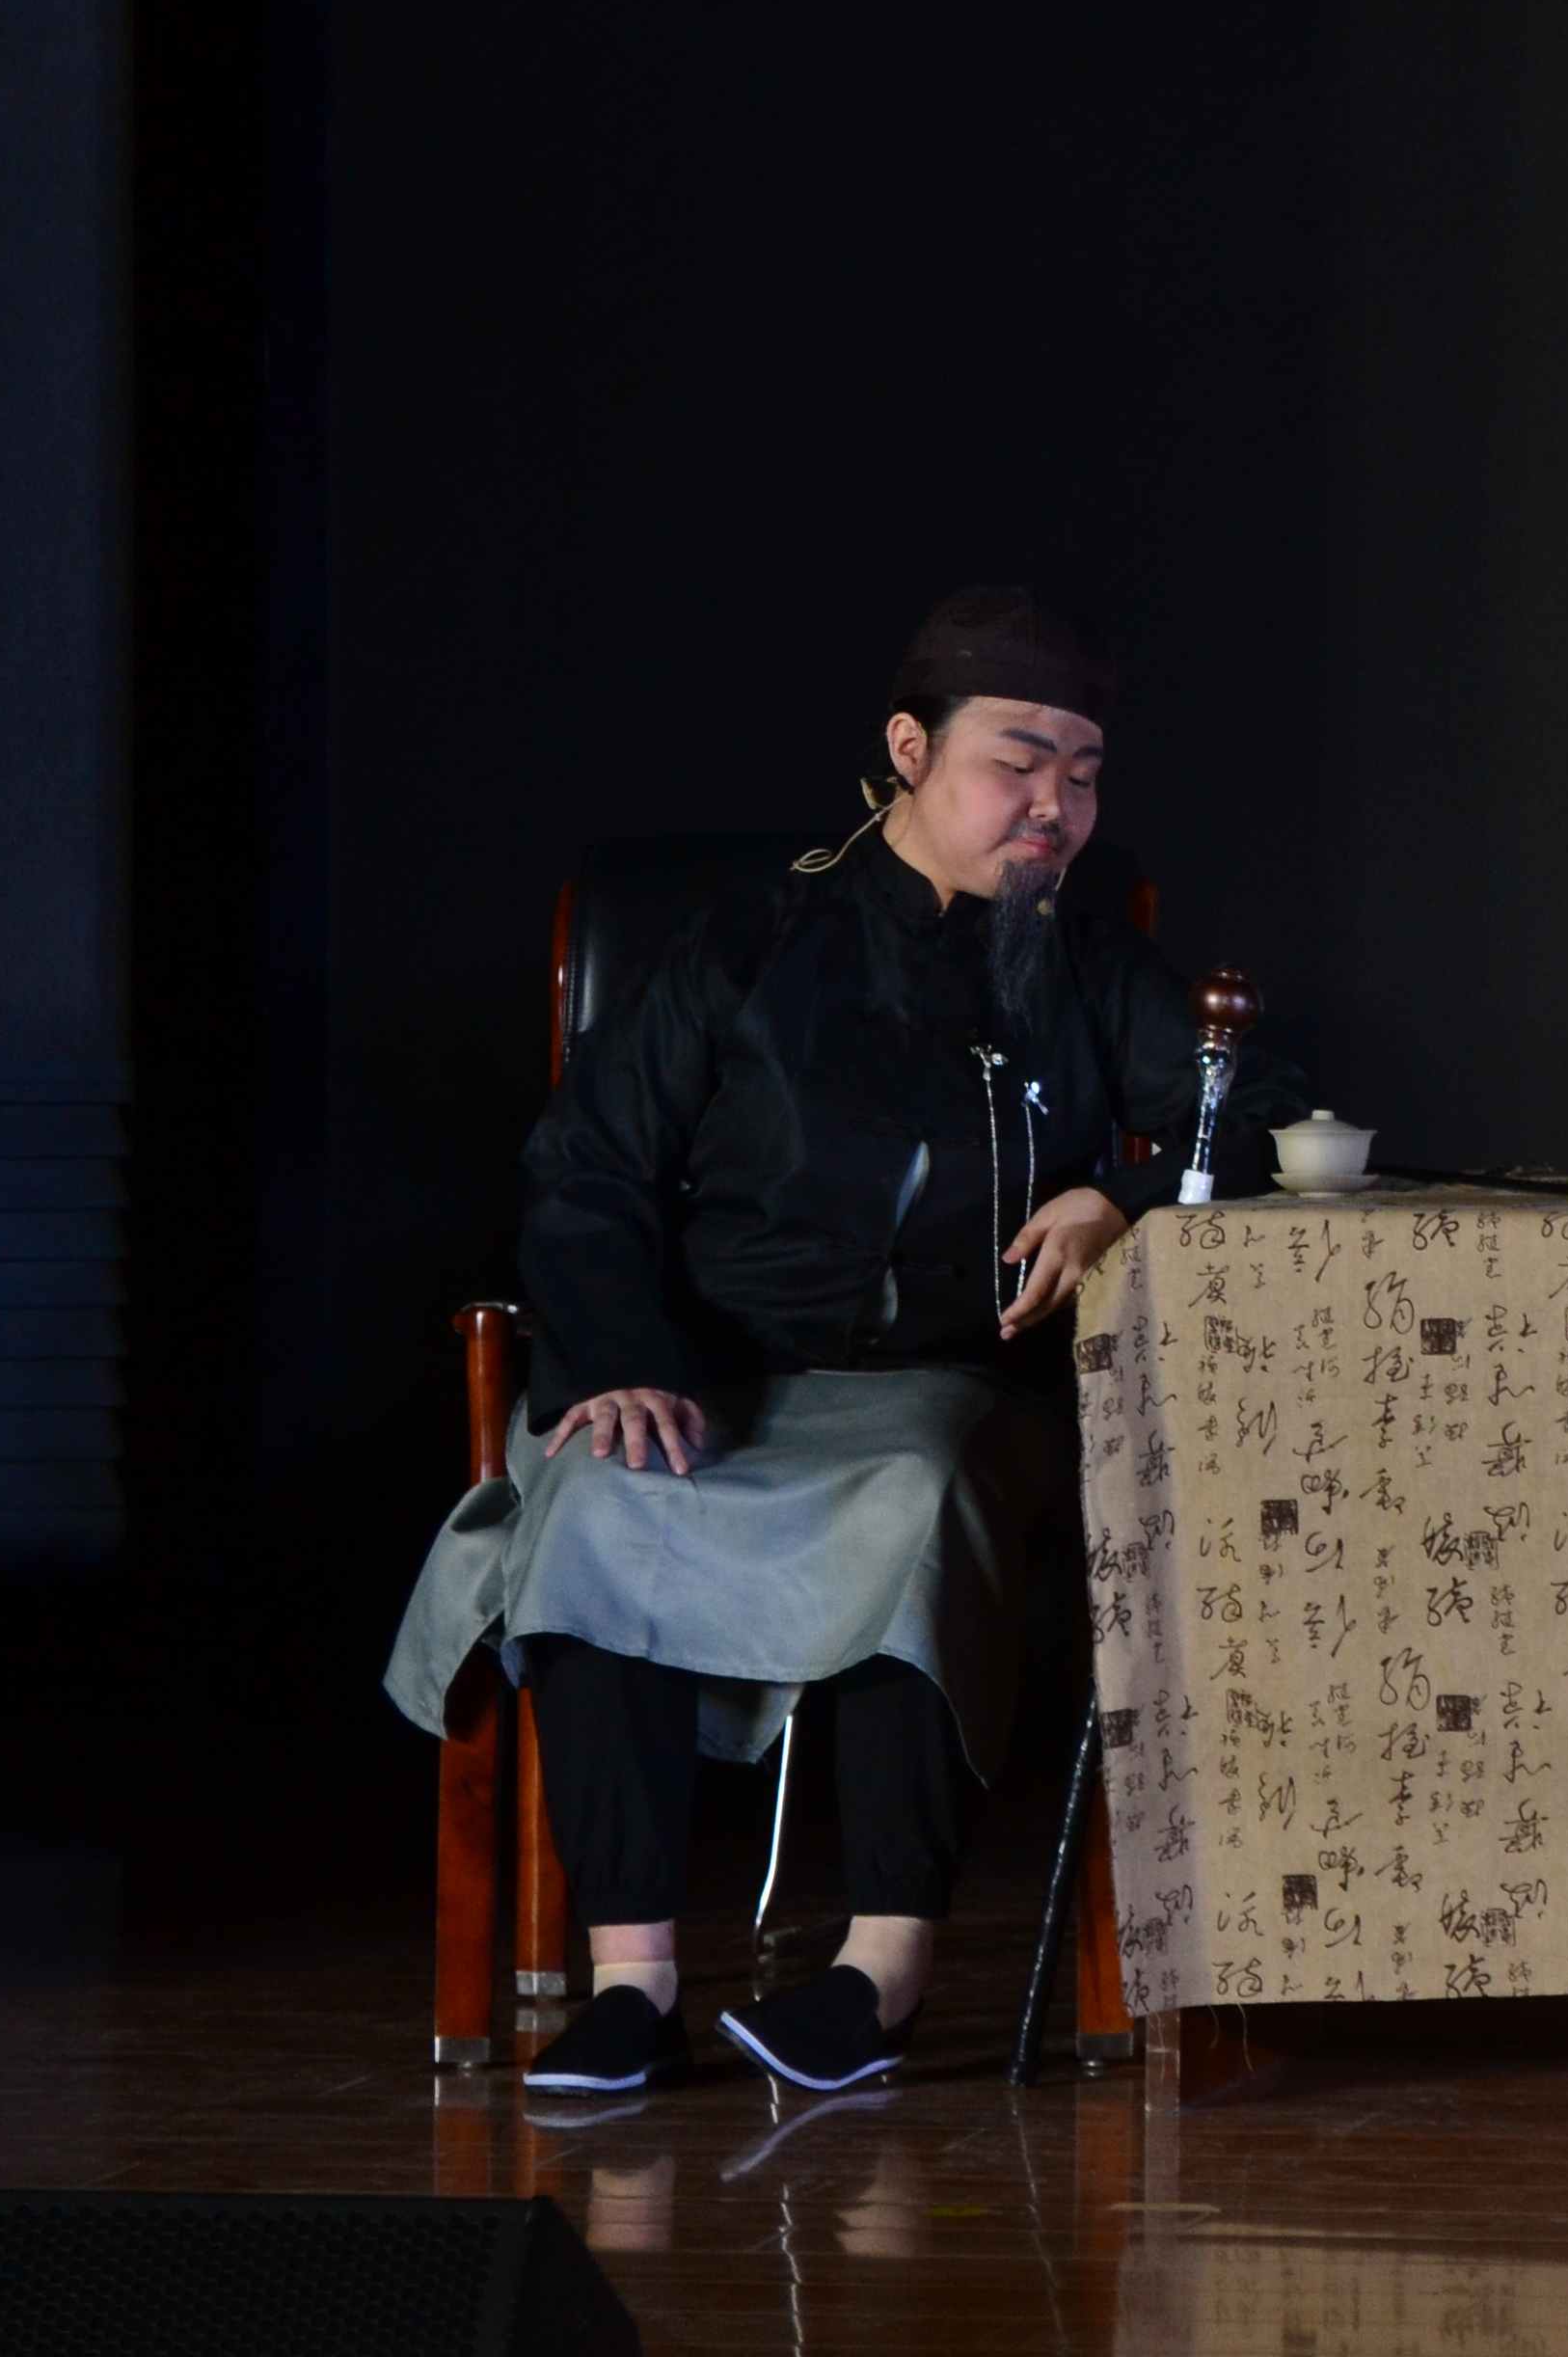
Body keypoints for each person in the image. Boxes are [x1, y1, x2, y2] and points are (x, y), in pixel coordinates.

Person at [385, 588, 1292, 2095]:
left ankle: (880, 1976)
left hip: (951, 1387)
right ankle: (631, 1984)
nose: (1055, 807)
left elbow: (1255, 1130)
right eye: (1018, 764)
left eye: (1082, 774)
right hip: (713, 1374)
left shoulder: (1085, 967)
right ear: (909, 750)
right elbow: (590, 1172)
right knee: (602, 1488)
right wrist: (627, 1362)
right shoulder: (748, 945)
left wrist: (1116, 1201)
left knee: (917, 1495)